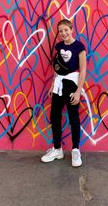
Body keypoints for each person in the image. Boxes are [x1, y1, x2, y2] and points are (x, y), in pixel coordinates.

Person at [41, 19, 87, 167]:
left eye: (66, 30)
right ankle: (57, 149)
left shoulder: (79, 46)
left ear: (72, 29)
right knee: (55, 116)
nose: (63, 33)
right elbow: (58, 68)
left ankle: (75, 150)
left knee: (74, 118)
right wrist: (53, 85)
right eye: (60, 31)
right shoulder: (59, 46)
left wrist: (78, 91)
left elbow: (83, 69)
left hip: (72, 84)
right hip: (58, 85)